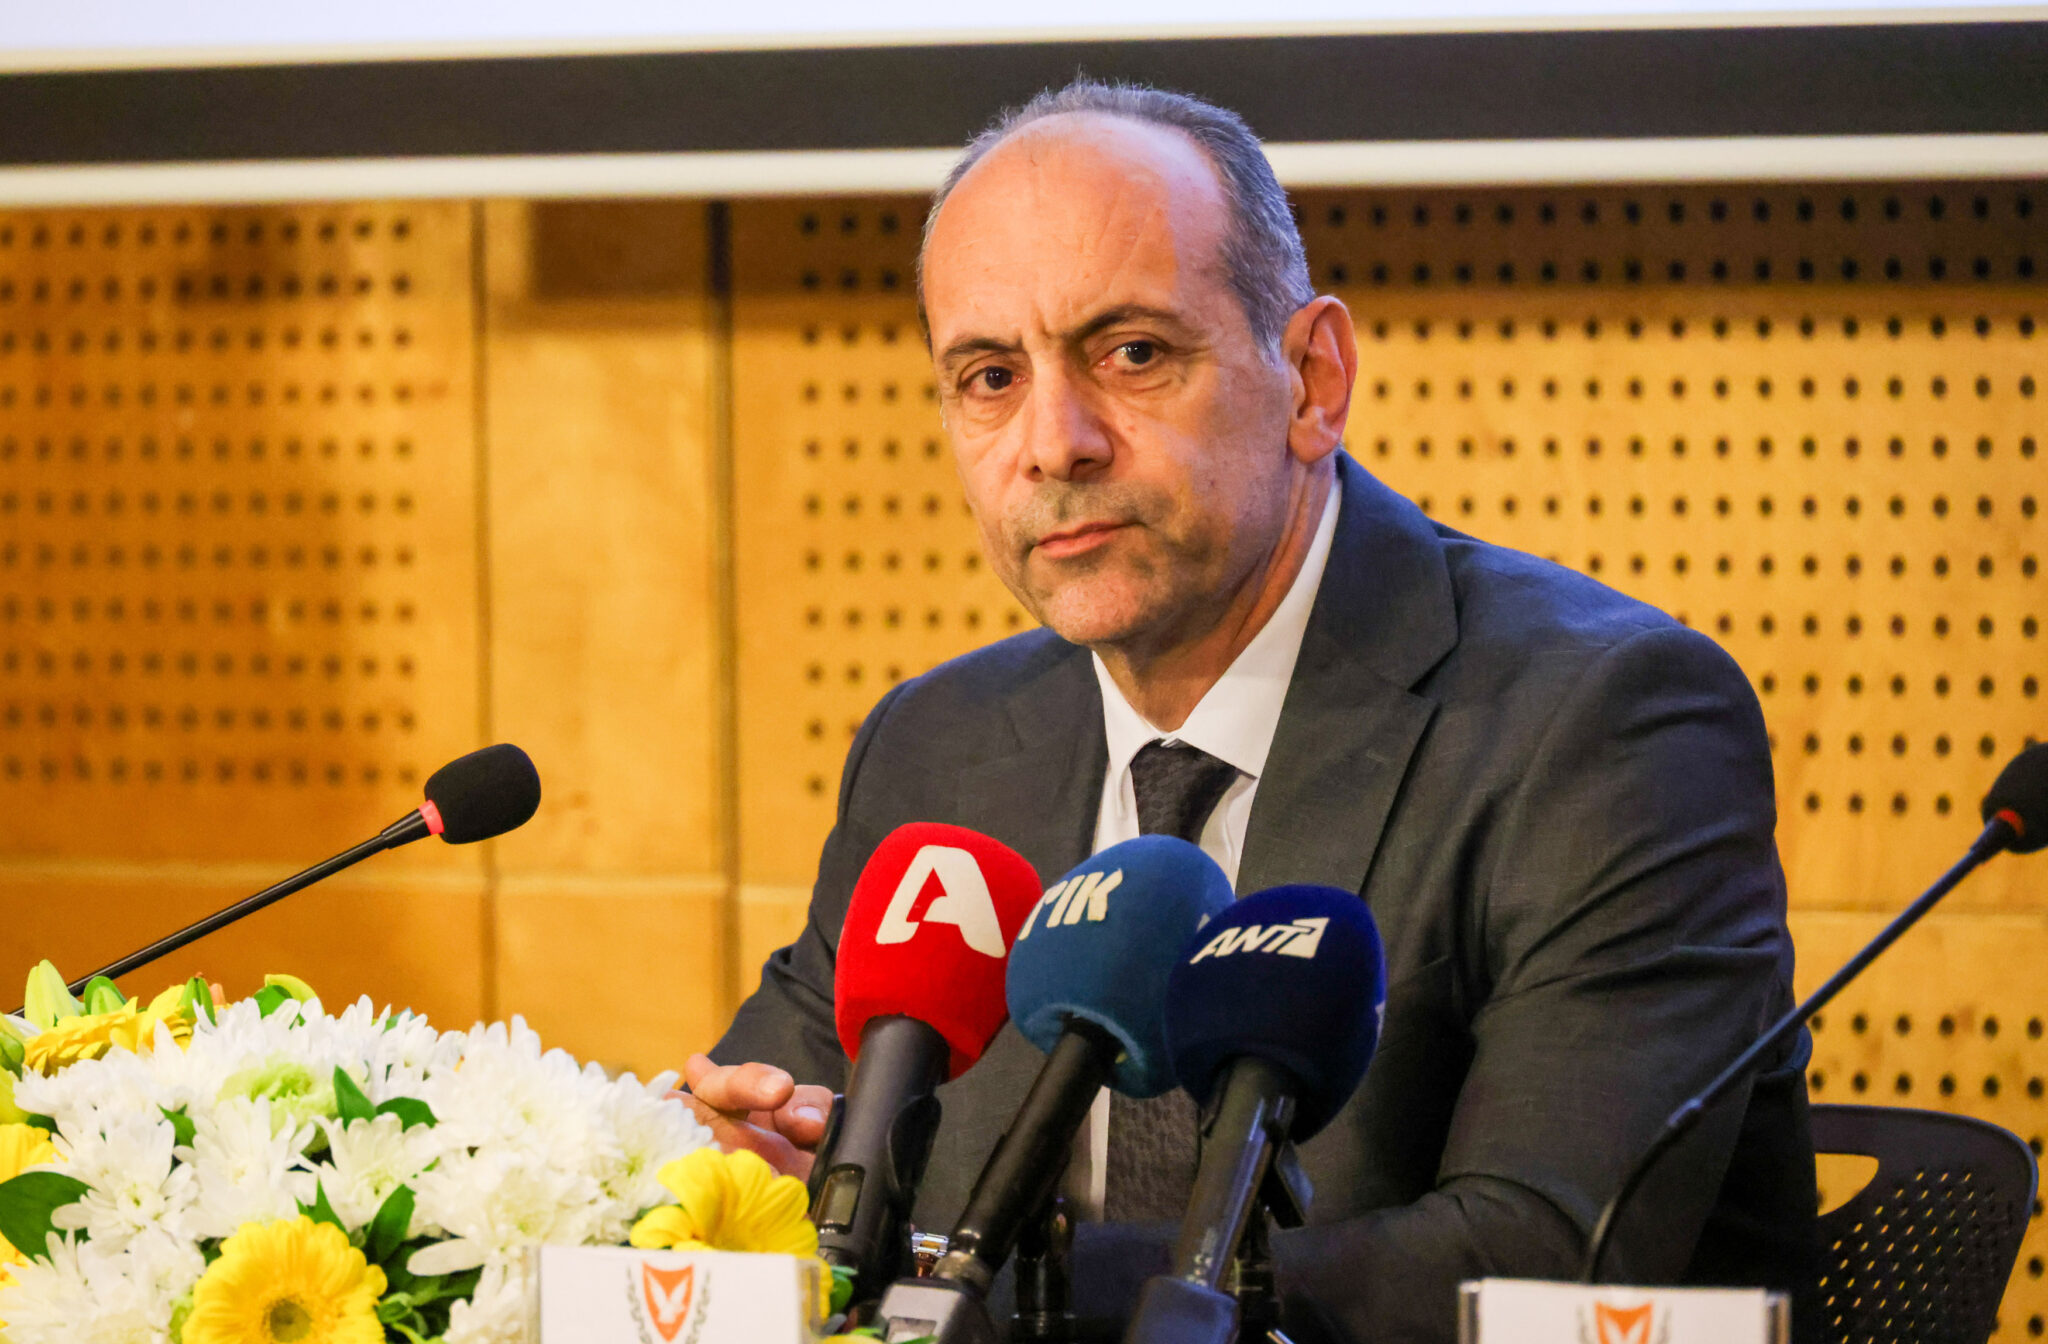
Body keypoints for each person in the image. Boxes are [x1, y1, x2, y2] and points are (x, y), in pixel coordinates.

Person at [688, 80, 1816, 1340]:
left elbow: (1534, 1258)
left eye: (1130, 354)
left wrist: (980, 1287)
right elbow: (783, 1135)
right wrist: (732, 1177)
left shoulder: (1601, 725)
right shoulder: (938, 748)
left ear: (1310, 381)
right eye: (990, 376)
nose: (1054, 443)